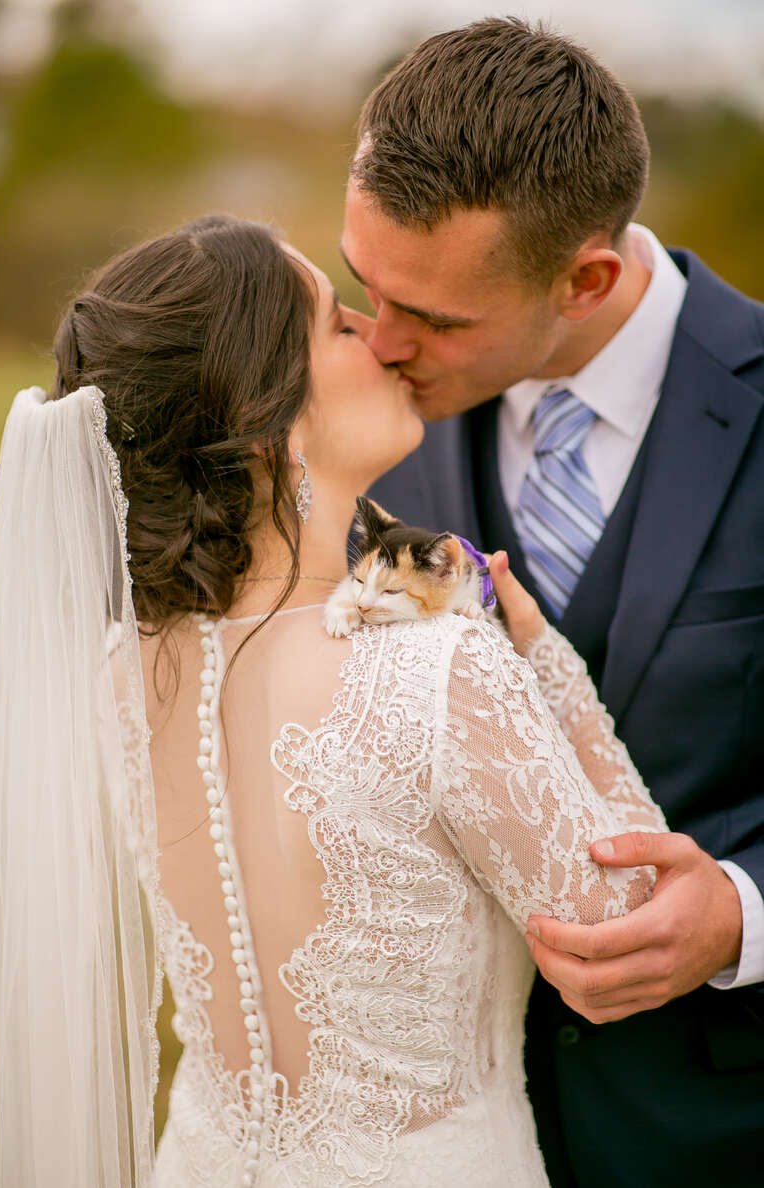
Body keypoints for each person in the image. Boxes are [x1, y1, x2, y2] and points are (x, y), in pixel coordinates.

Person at [0, 214, 667, 1187]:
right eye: (338, 326)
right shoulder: (436, 667)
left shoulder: (119, 675)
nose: (378, 334)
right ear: (273, 425)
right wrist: (547, 660)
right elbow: (628, 920)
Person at [346, 17, 764, 1187]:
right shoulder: (366, 434)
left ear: (586, 279)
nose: (379, 345)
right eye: (365, 287)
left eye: (431, 318)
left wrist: (742, 914)